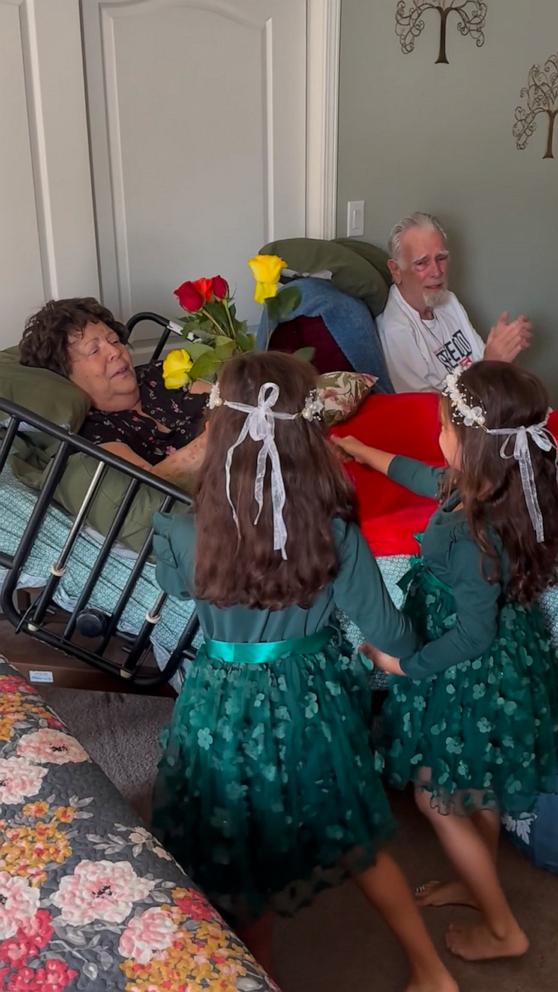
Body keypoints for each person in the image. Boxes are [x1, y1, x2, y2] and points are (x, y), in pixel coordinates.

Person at [150, 351, 457, 992]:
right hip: (310, 698)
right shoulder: (333, 531)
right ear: (309, 434)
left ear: (220, 436)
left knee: (237, 852)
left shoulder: (179, 530)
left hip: (221, 705)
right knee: (354, 836)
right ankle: (433, 971)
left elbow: (177, 588)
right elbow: (388, 632)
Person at [334, 361, 558, 963]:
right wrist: (363, 450)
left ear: (470, 444)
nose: (438, 439)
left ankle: (504, 928)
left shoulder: (470, 533)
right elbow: (426, 474)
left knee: (438, 796)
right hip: (505, 662)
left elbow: (472, 637)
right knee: (473, 784)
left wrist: (402, 667)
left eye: (443, 428)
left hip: (469, 675)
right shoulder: (505, 489)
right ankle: (477, 877)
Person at [19, 297, 209, 488]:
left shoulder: (157, 374)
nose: (115, 351)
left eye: (115, 340)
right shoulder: (94, 432)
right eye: (94, 351)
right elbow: (145, 491)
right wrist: (215, 438)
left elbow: (227, 399)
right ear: (65, 374)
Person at [377, 213, 533, 393]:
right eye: (422, 263)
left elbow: (481, 360)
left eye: (441, 258)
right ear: (395, 270)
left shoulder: (448, 300)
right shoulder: (396, 331)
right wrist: (492, 363)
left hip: (494, 403)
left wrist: (507, 348)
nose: (436, 272)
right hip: (469, 417)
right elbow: (430, 414)